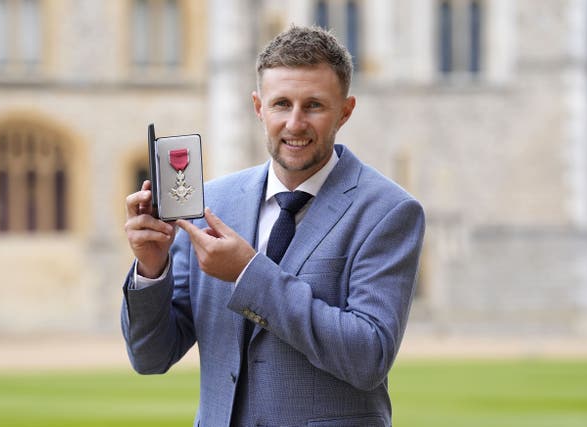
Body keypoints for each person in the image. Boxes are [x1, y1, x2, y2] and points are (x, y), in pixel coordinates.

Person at [122, 25, 425, 427]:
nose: (295, 123)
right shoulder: (211, 203)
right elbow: (150, 357)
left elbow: (368, 357)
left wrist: (249, 274)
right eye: (281, 103)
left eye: (314, 105)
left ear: (346, 110)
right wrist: (151, 270)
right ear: (258, 107)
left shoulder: (389, 212)